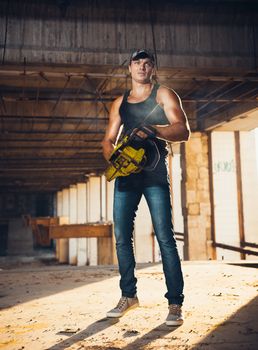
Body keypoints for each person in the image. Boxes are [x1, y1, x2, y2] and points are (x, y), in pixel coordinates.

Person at [101, 49, 190, 326]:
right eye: (137, 63)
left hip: (153, 172)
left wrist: (155, 129)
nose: (142, 67)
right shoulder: (119, 103)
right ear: (129, 68)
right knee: (121, 237)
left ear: (152, 69)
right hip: (128, 173)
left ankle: (175, 303)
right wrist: (117, 159)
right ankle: (129, 296)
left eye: (147, 63)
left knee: (165, 237)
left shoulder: (164, 95)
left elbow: (183, 130)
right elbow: (107, 140)